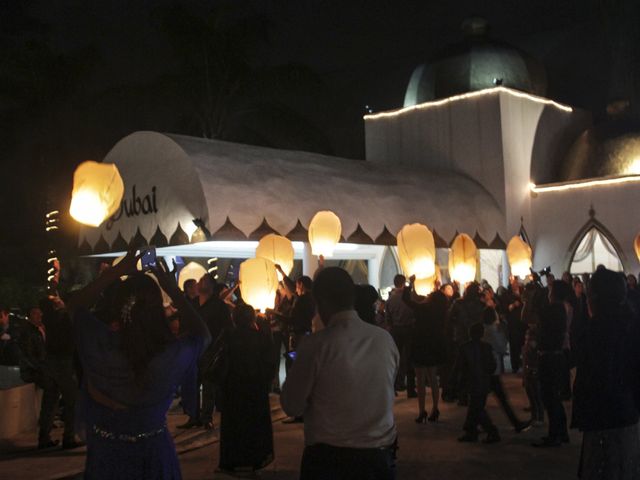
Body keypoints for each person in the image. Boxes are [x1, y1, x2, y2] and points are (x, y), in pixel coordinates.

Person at [68, 252, 211, 479]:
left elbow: (74, 307)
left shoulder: (101, 345)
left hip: (107, 457)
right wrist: (171, 287)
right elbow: (202, 335)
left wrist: (115, 272)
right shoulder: (167, 356)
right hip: (153, 455)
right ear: (157, 310)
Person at [281, 267, 398, 480]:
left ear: (321, 302)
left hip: (329, 458)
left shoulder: (315, 345)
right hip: (379, 456)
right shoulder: (384, 340)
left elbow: (292, 405)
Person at [572, 268, 640, 479]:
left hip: (604, 418)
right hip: (627, 414)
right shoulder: (629, 324)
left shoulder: (599, 332)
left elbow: (596, 378)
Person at [218, 304, 275, 474]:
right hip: (255, 387)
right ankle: (255, 459)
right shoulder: (261, 337)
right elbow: (270, 362)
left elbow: (220, 361)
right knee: (254, 424)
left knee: (233, 425)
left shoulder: (228, 336)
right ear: (252, 318)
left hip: (233, 388)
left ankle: (231, 461)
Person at [179, 274, 232, 430]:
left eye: (204, 280)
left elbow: (227, 327)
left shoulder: (218, 305)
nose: (200, 282)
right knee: (192, 384)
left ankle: (206, 417)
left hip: (210, 350)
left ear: (211, 286)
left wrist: (219, 347)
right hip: (193, 348)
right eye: (200, 280)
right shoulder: (193, 304)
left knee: (208, 384)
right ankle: (193, 416)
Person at [37, 295, 81, 449]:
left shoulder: (48, 319)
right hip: (64, 361)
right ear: (57, 306)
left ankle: (43, 437)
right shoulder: (65, 316)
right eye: (57, 299)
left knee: (50, 399)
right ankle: (69, 437)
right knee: (72, 400)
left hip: (50, 360)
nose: (60, 299)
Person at [403, 275, 447, 422]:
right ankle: (435, 408)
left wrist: (410, 283)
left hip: (420, 345)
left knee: (420, 380)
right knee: (433, 378)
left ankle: (422, 410)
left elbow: (407, 300)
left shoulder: (422, 309)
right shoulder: (440, 313)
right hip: (433, 346)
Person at [532, 280, 570, 447]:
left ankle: (555, 435)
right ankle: (561, 433)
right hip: (557, 356)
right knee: (554, 397)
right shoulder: (562, 308)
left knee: (549, 397)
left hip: (548, 357)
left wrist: (533, 295)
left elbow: (528, 315)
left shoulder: (552, 309)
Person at [456, 322, 500, 444]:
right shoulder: (487, 347)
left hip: (472, 382)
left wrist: (457, 383)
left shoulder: (464, 347)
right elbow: (492, 366)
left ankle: (490, 431)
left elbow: (460, 367)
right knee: (476, 407)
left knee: (477, 409)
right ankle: (472, 431)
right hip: (484, 382)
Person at [385, 274, 416, 396]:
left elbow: (388, 319)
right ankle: (410, 388)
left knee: (395, 358)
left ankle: (393, 386)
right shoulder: (409, 297)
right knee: (410, 358)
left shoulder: (390, 300)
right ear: (403, 283)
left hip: (395, 330)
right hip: (408, 329)